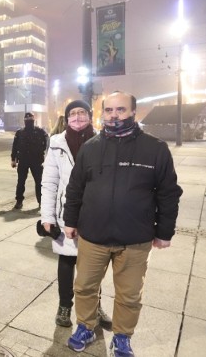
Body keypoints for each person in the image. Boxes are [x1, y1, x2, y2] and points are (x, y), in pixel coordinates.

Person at [63, 92, 182, 356]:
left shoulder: (155, 149)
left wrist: (164, 232)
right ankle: (85, 325)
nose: (114, 115)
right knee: (84, 287)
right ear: (102, 113)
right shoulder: (91, 148)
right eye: (108, 110)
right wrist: (70, 221)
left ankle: (122, 336)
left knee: (129, 296)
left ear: (133, 113)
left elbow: (168, 193)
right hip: (93, 236)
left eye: (121, 110)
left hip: (135, 239)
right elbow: (75, 188)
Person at [40, 100, 111, 329]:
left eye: (82, 113)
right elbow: (49, 182)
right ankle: (64, 306)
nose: (77, 117)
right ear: (66, 117)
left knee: (95, 265)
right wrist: (47, 217)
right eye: (73, 113)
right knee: (67, 261)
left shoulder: (105, 141)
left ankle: (95, 305)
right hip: (65, 212)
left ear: (90, 116)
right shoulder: (56, 143)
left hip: (95, 213)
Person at [10, 112, 48, 209]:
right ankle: (19, 201)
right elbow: (14, 147)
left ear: (33, 120)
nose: (28, 121)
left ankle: (41, 201)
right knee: (21, 182)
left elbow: (47, 144)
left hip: (36, 160)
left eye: (30, 119)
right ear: (24, 121)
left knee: (39, 182)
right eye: (27, 120)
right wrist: (13, 159)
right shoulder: (19, 133)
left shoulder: (40, 131)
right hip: (23, 160)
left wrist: (42, 152)